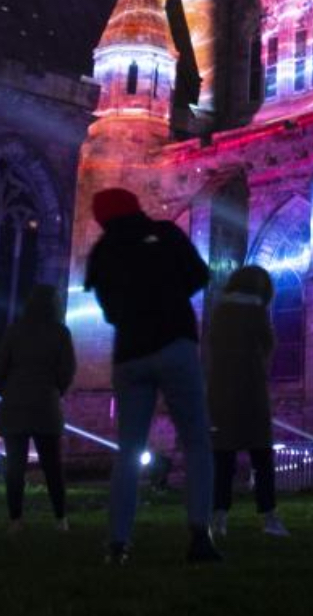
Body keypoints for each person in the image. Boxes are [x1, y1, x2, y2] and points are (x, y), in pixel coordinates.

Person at [84, 187, 220, 564]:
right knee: (196, 441)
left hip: (130, 355)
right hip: (174, 343)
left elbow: (109, 312)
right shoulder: (164, 233)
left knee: (129, 450)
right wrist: (170, 297)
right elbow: (199, 276)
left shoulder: (102, 253)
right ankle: (200, 535)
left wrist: (133, 313)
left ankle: (118, 542)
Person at [205, 264, 289, 539]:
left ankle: (218, 517)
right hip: (251, 391)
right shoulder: (256, 310)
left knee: (223, 459)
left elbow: (211, 347)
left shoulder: (219, 310)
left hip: (221, 392)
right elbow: (269, 344)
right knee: (262, 458)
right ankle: (269, 517)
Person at [0, 283, 76, 534]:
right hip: (45, 405)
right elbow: (68, 369)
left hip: (15, 405)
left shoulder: (15, 331)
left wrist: (8, 392)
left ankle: (15, 520)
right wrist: (56, 390)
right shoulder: (60, 333)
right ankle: (60, 519)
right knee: (52, 465)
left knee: (15, 466)